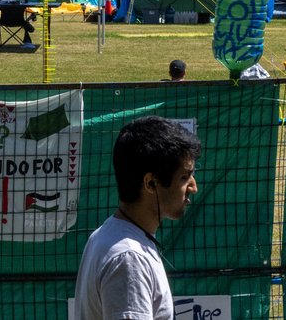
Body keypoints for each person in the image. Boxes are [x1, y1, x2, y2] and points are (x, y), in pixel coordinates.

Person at [73, 116, 201, 320]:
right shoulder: (129, 259)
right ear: (150, 184)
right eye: (184, 177)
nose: (193, 187)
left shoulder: (109, 236)